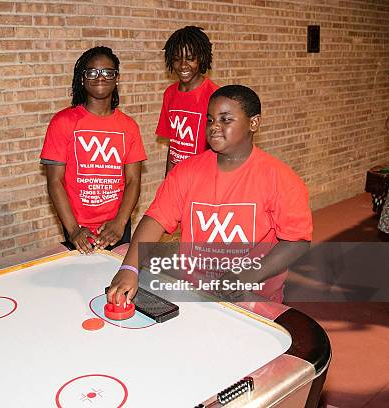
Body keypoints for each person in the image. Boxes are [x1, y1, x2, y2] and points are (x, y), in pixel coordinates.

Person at [108, 85, 312, 304]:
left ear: (253, 123)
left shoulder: (279, 178)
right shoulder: (186, 171)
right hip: (196, 290)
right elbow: (155, 218)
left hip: (253, 296)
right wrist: (129, 268)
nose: (214, 127)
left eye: (225, 120)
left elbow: (297, 241)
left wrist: (248, 275)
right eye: (210, 120)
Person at [40, 46, 147, 254]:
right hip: (77, 226)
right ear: (82, 79)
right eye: (93, 72)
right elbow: (54, 181)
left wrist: (120, 222)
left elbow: (134, 181)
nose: (101, 77)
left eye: (108, 72)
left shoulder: (129, 126)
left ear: (117, 79)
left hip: (116, 226)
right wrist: (73, 230)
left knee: (116, 280)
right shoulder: (62, 122)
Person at [157, 26, 219, 175]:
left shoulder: (215, 96)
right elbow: (174, 145)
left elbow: (220, 148)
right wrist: (168, 181)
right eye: (177, 59)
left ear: (202, 58)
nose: (183, 65)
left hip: (204, 178)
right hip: (179, 177)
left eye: (190, 58)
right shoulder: (170, 94)